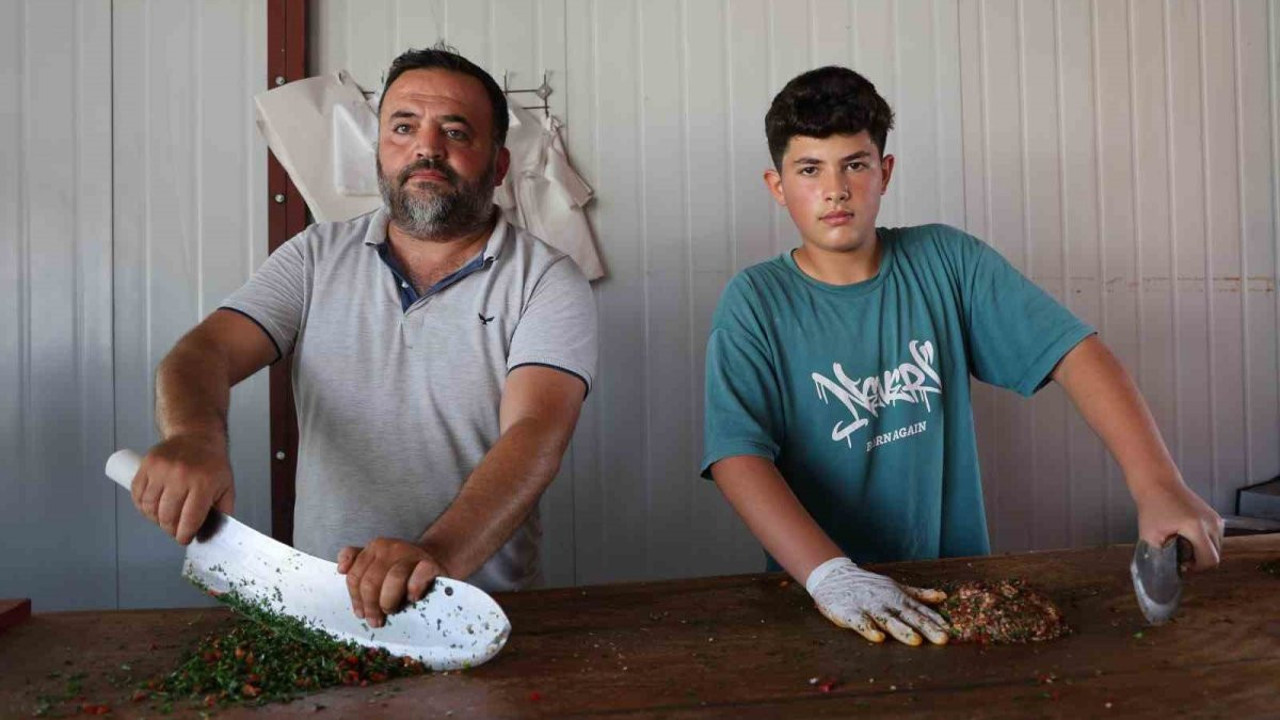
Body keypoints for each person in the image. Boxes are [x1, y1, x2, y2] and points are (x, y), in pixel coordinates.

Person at [701, 66, 1222, 647]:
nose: (835, 189)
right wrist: (832, 576)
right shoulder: (755, 301)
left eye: (855, 164)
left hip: (958, 590)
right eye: (809, 169)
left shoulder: (946, 261)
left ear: (885, 171)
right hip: (820, 597)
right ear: (777, 185)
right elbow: (737, 455)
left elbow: (1076, 354)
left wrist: (1157, 483)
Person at [128, 45, 597, 629]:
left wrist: (438, 555)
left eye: (455, 130)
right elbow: (203, 353)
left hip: (479, 616)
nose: (426, 147)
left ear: (498, 166)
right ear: (380, 150)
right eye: (403, 127)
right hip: (326, 610)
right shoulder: (314, 256)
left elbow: (536, 433)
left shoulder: (547, 279)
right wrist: (194, 436)